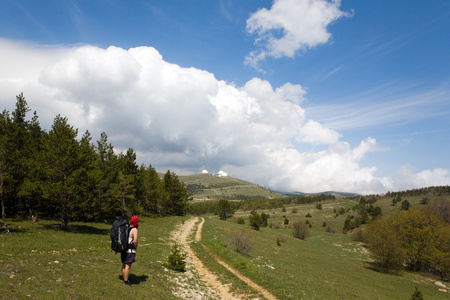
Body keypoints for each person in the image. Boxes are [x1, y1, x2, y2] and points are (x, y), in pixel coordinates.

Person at [121, 215, 139, 285]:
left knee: (124, 264)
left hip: (124, 249)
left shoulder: (127, 227)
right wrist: (136, 248)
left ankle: (124, 278)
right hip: (130, 250)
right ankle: (126, 281)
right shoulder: (134, 229)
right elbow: (135, 241)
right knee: (128, 265)